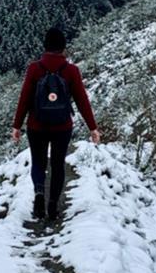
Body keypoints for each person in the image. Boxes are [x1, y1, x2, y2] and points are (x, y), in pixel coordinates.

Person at [12, 27, 101, 219]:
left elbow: (25, 98)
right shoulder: (71, 71)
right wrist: (92, 128)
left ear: (45, 46)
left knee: (39, 162)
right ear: (63, 48)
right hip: (62, 126)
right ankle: (52, 205)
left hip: (36, 126)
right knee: (58, 164)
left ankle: (39, 195)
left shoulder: (34, 68)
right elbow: (82, 101)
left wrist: (17, 126)